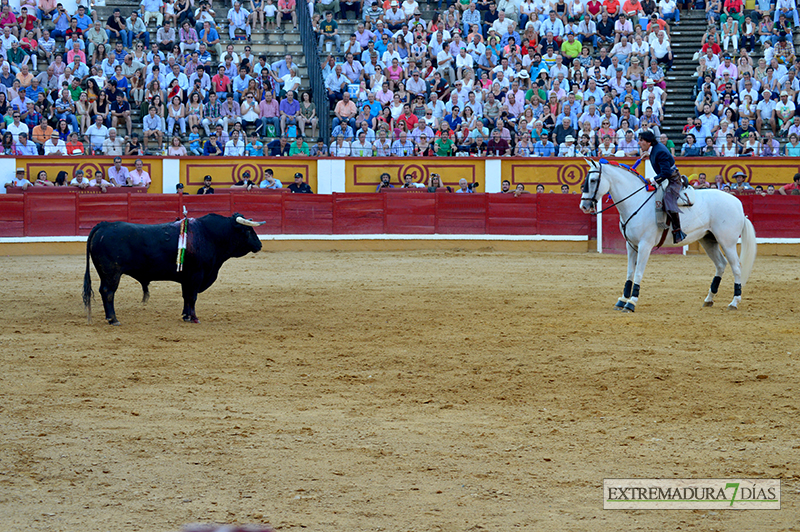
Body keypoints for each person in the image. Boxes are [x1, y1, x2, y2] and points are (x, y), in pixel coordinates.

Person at [638, 129, 685, 243]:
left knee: (668, 199)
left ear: (649, 142)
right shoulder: (655, 149)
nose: (639, 143)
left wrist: (652, 180)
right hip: (666, 177)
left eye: (641, 140)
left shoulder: (659, 152)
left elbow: (666, 173)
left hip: (673, 179)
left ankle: (677, 230)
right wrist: (648, 154)